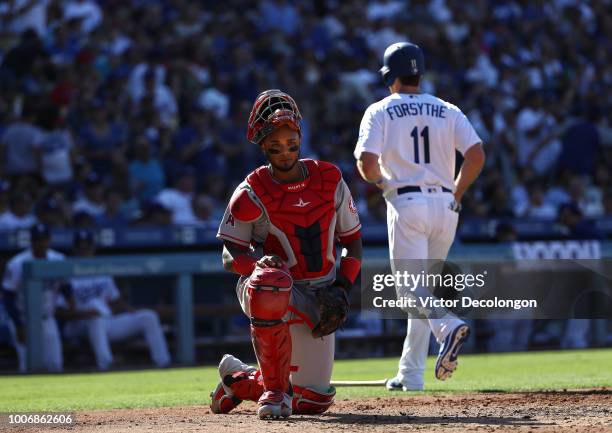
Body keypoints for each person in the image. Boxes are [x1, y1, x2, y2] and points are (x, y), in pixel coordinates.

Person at [210, 89, 362, 419]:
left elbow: (353, 242)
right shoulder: (251, 190)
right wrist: (255, 264)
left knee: (314, 401)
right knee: (270, 280)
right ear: (263, 147)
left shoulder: (330, 178)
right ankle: (274, 393)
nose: (285, 152)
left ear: (300, 136)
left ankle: (238, 381)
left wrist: (342, 289)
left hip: (320, 291)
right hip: (272, 288)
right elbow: (228, 254)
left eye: (291, 143)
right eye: (275, 147)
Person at [354, 42, 485, 391]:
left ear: (388, 76)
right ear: (419, 73)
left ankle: (448, 326)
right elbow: (476, 154)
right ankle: (411, 373)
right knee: (422, 291)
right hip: (446, 206)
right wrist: (456, 193)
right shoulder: (447, 108)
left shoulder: (380, 110)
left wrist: (382, 182)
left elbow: (366, 163)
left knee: (411, 293)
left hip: (407, 201)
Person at [59, 229, 170, 370]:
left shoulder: (101, 271)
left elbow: (115, 301)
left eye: (87, 246)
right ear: (74, 249)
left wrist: (131, 311)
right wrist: (86, 314)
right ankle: (106, 365)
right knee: (96, 319)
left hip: (106, 321)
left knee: (148, 316)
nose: (84, 250)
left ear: (93, 248)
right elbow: (60, 311)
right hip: (78, 324)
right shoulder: (65, 272)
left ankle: (163, 363)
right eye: (80, 247)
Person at [1, 223, 67, 372]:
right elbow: (8, 296)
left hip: (47, 319)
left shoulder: (58, 259)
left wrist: (70, 299)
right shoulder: (17, 263)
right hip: (24, 319)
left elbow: (65, 284)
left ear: (49, 240)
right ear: (31, 241)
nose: (41, 243)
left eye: (44, 239)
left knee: (55, 365)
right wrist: (18, 325)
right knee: (27, 366)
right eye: (37, 239)